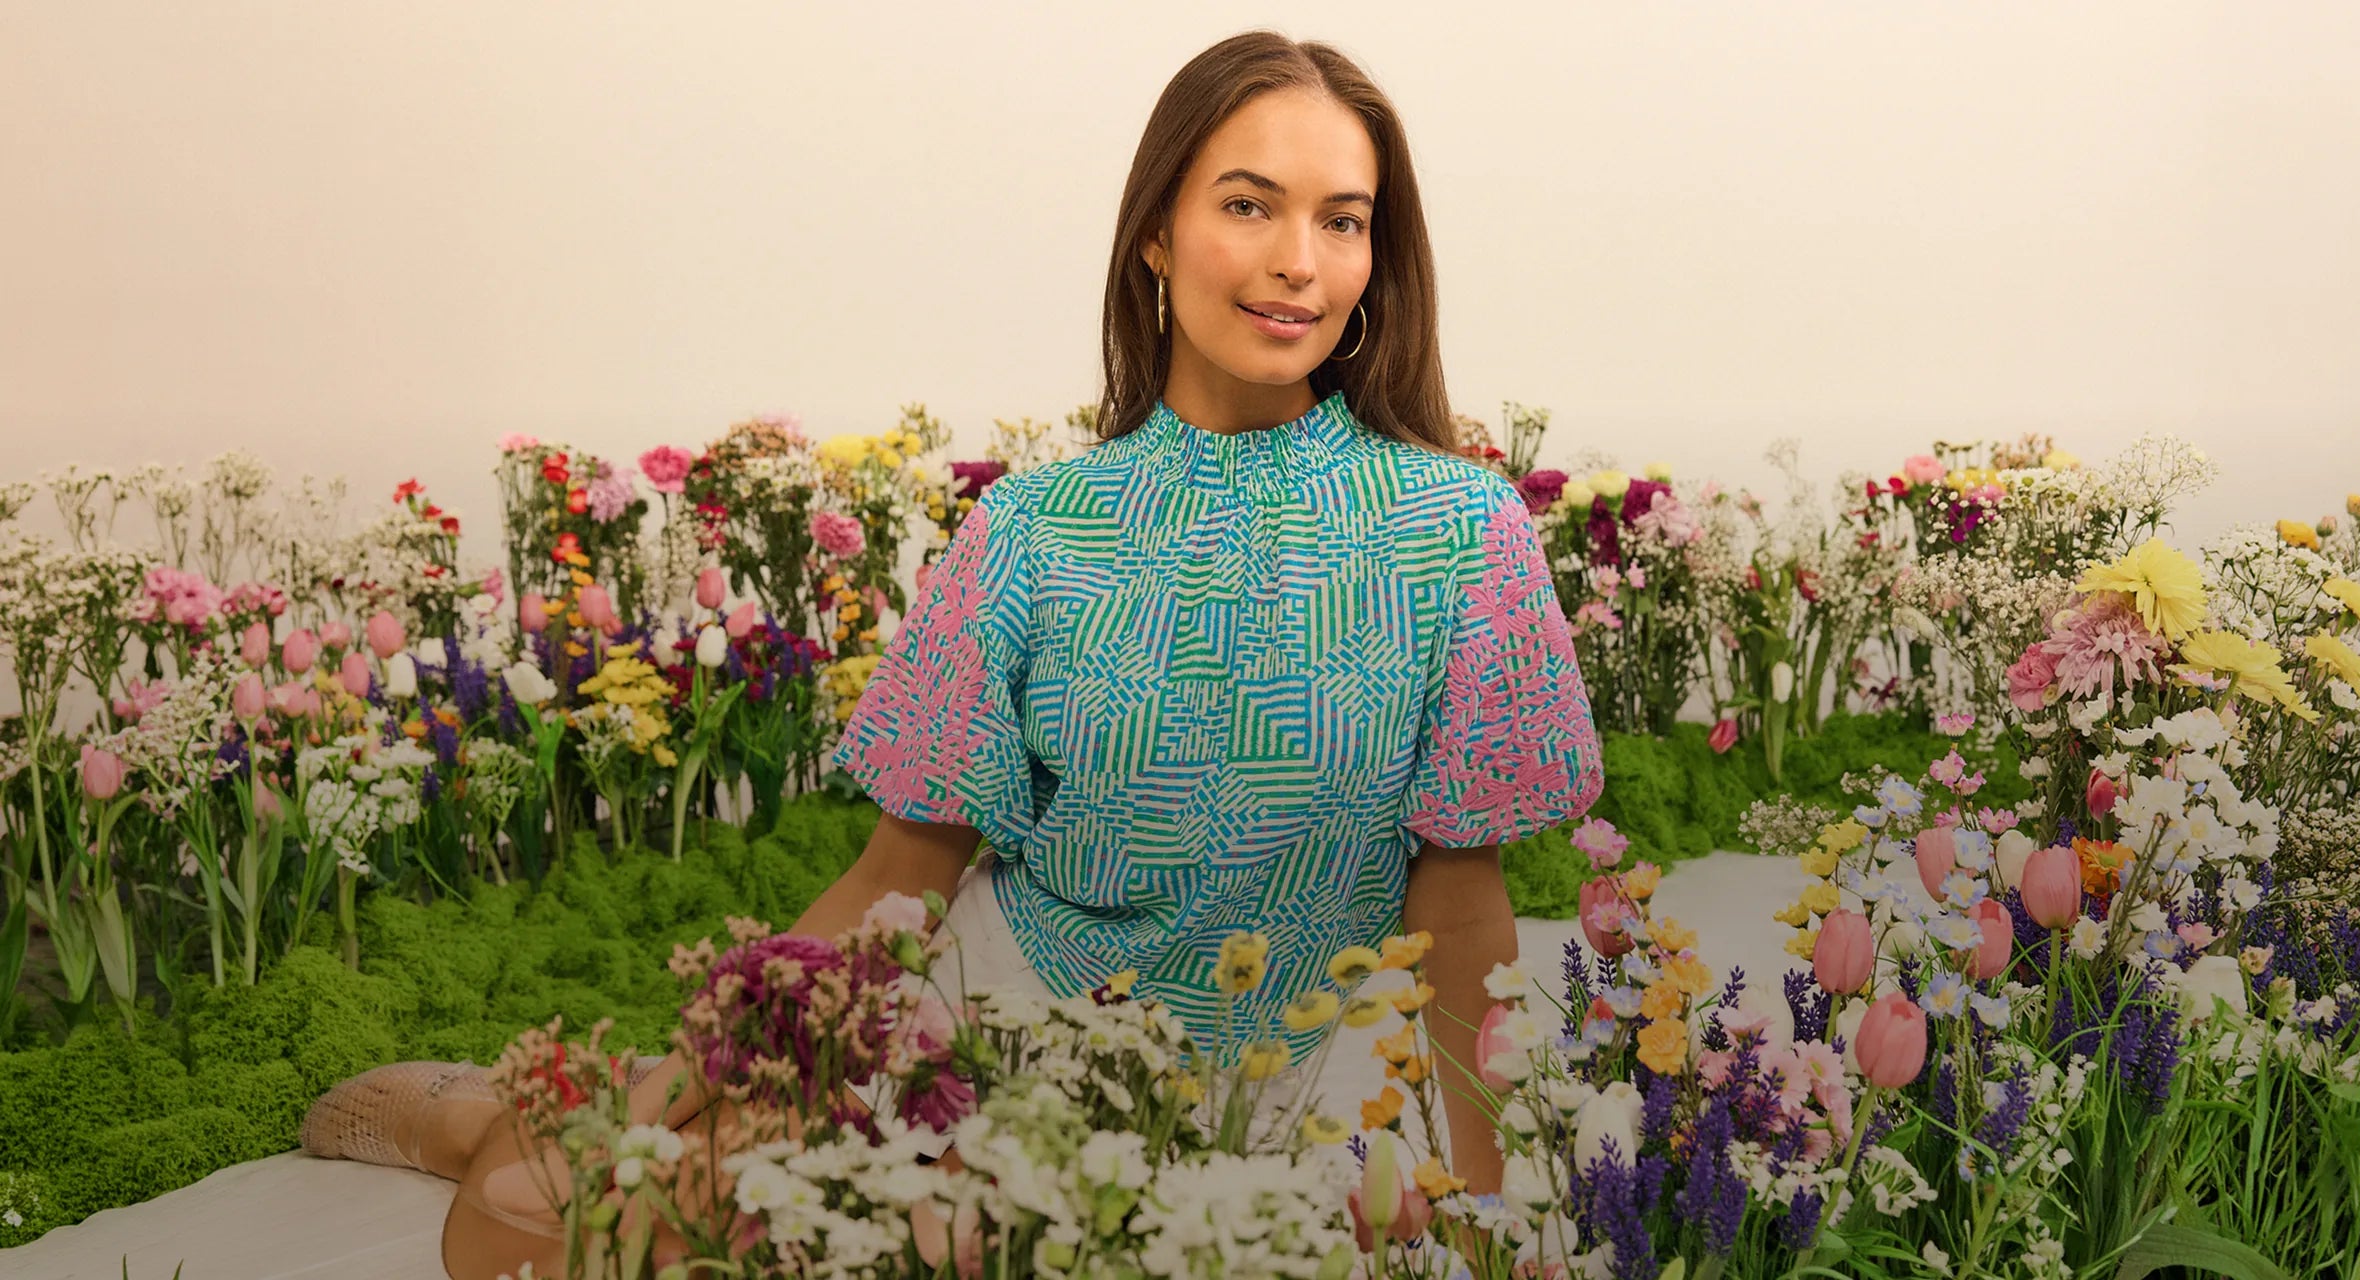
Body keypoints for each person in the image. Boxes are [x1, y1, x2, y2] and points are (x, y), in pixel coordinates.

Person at [296, 29, 1602, 1277]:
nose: (1299, 263)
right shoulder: (1028, 532)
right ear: (1157, 231)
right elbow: (896, 876)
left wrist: (1485, 1208)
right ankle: (512, 1123)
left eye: (1344, 219)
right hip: (1008, 1045)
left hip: (1321, 1073)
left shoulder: (1460, 530)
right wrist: (668, 1099)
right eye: (1250, 206)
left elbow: (1461, 900)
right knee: (529, 1239)